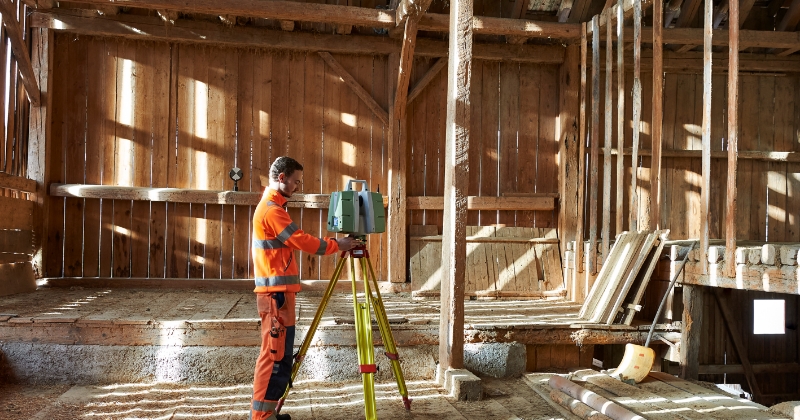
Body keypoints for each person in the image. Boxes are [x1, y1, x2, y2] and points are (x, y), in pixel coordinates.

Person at [250, 156, 359, 420]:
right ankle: (261, 418)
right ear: (281, 178)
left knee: (280, 356)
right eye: (296, 181)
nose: (298, 186)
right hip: (275, 297)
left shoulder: (276, 207)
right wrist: (337, 245)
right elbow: (300, 240)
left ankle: (267, 413)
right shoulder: (271, 210)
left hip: (281, 296)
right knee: (274, 357)